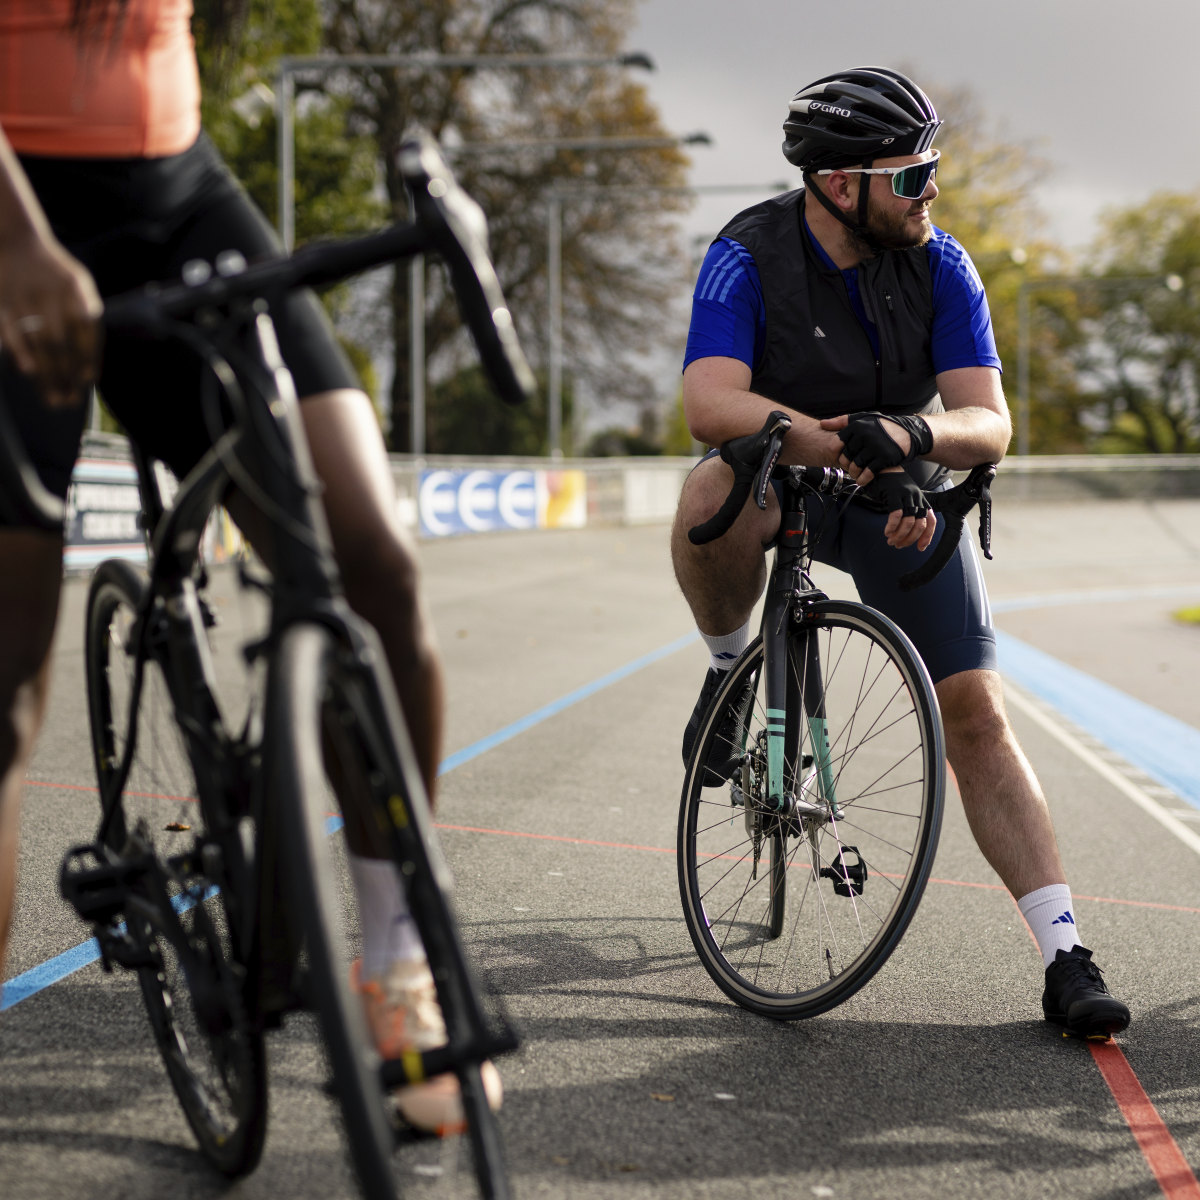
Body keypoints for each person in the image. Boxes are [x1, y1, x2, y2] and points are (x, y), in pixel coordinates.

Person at [0, 0, 498, 1132]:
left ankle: (400, 957)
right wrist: (18, 246)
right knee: (3, 683)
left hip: (176, 190)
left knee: (371, 567)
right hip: (11, 208)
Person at [671, 66, 1130, 1040]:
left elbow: (988, 421)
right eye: (912, 177)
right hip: (787, 474)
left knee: (975, 713)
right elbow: (711, 404)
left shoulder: (943, 265)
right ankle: (727, 676)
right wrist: (842, 438)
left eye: (933, 172)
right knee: (708, 488)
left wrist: (915, 444)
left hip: (898, 485)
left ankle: (1064, 952)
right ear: (842, 184)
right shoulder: (747, 253)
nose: (933, 193)